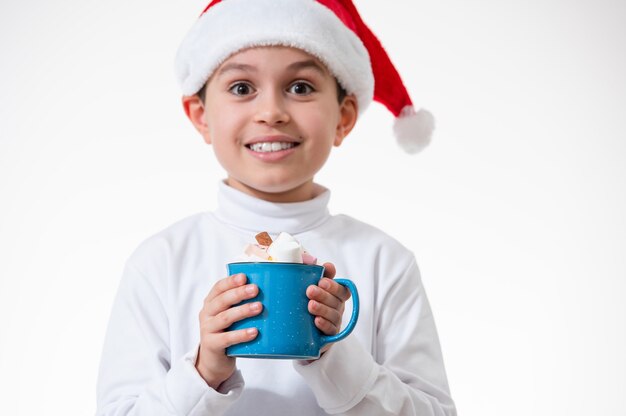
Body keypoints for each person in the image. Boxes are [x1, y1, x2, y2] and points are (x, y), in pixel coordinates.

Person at [96, 0, 456, 415]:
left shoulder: (385, 262)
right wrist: (203, 371)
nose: (271, 113)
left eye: (300, 87)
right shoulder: (159, 263)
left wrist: (334, 354)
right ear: (201, 116)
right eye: (241, 88)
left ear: (344, 116)